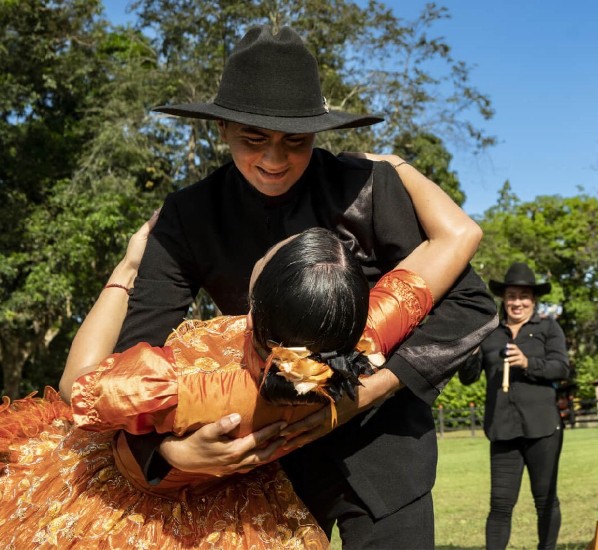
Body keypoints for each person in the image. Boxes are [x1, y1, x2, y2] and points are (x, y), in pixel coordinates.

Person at [116, 24, 496, 548]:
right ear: (222, 128)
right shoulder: (187, 216)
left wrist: (358, 396)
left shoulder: (368, 187)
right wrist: (170, 454)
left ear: (318, 131)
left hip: (387, 454)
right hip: (263, 474)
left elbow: (470, 307)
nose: (274, 160)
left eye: (295, 141)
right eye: (254, 140)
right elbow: (128, 356)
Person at [0, 155, 483, 547]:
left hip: (138, 504)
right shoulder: (357, 339)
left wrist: (126, 271)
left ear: (253, 307)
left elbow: (74, 387)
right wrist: (395, 163)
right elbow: (461, 234)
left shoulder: (197, 388)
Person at [459, 262, 571, 550]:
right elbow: (468, 379)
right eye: (511, 296)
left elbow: (561, 368)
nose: (517, 302)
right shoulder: (490, 332)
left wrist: (528, 363)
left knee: (545, 498)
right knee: (500, 504)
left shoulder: (548, 327)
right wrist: (470, 351)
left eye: (523, 296)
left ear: (533, 300)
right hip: (503, 429)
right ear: (504, 299)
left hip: (543, 428)